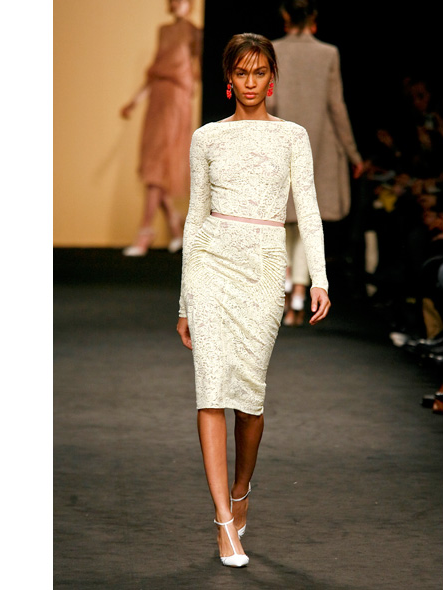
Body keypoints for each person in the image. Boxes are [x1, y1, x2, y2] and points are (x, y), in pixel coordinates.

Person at [176, 33, 331, 568]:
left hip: (264, 267)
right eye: (241, 72)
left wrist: (319, 278)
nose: (250, 81)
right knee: (210, 390)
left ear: (272, 78)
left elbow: (308, 208)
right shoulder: (206, 138)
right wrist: (184, 302)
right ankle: (224, 521)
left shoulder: (292, 136)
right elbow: (195, 216)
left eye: (259, 72)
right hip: (210, 265)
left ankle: (242, 486)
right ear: (228, 79)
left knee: (250, 398)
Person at [268, 0, 365, 325]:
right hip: (318, 145)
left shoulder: (274, 49)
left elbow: (269, 101)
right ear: (313, 21)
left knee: (282, 219)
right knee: (307, 221)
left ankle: (284, 287)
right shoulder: (328, 53)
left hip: (281, 140)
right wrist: (353, 153)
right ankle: (299, 292)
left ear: (285, 19)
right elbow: (336, 106)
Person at [120, 0, 202, 256]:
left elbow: (199, 69)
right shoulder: (164, 31)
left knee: (159, 163)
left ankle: (145, 230)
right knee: (155, 162)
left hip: (177, 99)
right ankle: (175, 227)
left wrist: (188, 80)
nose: (177, 4)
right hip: (158, 96)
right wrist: (134, 101)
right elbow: (154, 72)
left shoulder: (194, 33)